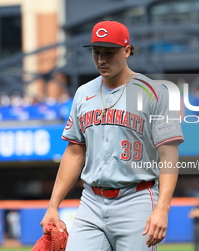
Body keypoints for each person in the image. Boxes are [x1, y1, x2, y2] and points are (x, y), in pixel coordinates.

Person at [40, 20, 184, 251]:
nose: (101, 60)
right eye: (96, 53)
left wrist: (162, 209)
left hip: (136, 198)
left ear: (127, 51)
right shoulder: (83, 93)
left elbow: (168, 154)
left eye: (109, 52)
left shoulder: (154, 92)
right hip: (91, 201)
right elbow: (75, 152)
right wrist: (53, 205)